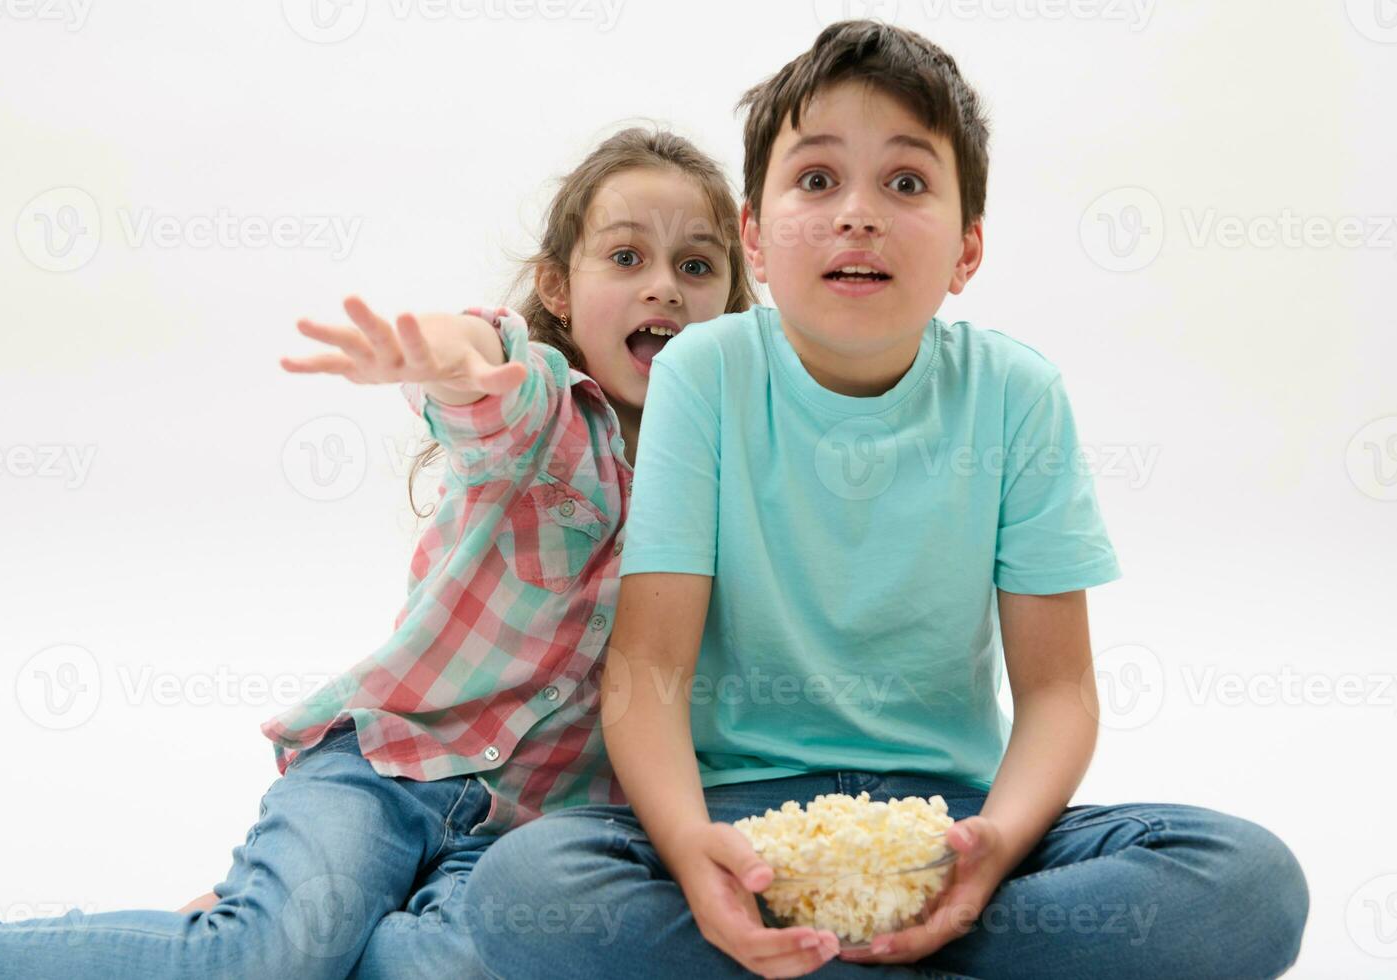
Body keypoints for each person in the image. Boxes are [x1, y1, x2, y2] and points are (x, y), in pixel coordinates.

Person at [457, 21, 1311, 979]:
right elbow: (648, 667)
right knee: (526, 889)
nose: (856, 214)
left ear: (965, 248)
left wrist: (992, 851)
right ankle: (848, 953)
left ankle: (830, 960)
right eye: (816, 181)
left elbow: (1059, 691)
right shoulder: (707, 373)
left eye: (905, 184)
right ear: (755, 240)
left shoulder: (1015, 395)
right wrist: (698, 860)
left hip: (950, 830)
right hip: (742, 822)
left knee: (1251, 882)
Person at [0, 126, 754, 980]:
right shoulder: (541, 401)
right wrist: (439, 358)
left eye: (696, 266)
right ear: (558, 287)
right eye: (625, 258)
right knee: (265, 954)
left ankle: (291, 934)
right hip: (391, 767)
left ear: (732, 301)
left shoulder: (724, 471)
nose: (664, 287)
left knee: (463, 964)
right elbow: (479, 363)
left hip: (529, 828)